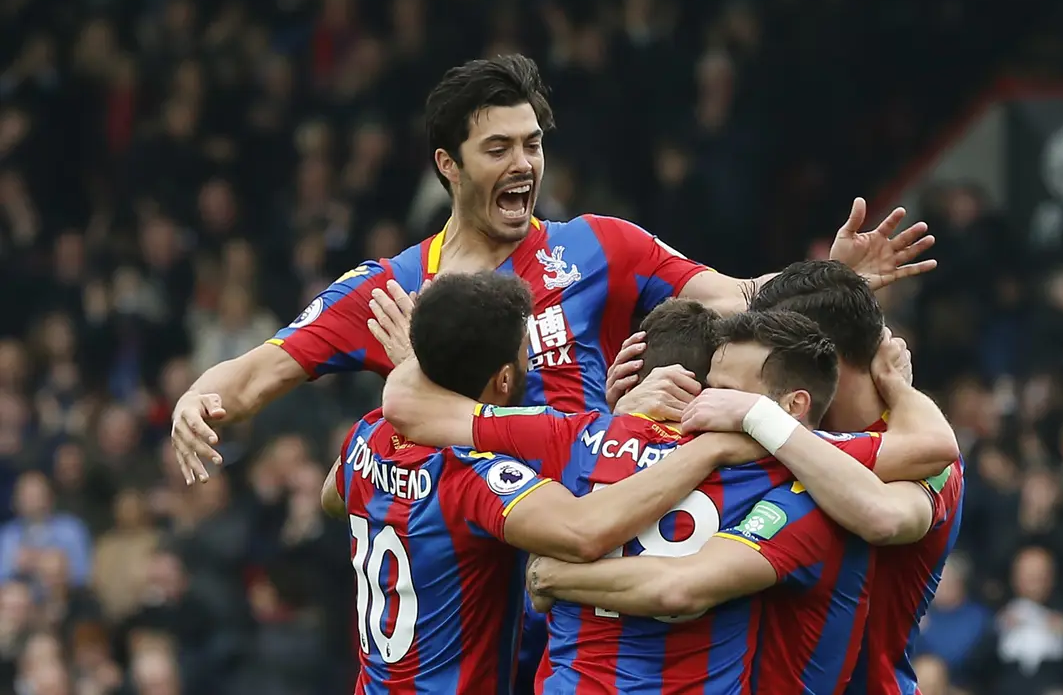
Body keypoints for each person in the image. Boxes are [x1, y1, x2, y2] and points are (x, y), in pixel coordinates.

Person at [171, 54, 936, 488]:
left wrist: (827, 279)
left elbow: (735, 296)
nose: (523, 164)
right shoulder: (391, 289)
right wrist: (195, 402)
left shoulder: (599, 246)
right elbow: (249, 377)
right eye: (498, 148)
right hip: (466, 557)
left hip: (588, 530)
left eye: (531, 144)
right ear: (448, 165)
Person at [320, 272, 764, 693]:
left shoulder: (370, 433)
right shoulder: (476, 474)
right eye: (524, 357)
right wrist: (689, 445)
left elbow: (333, 498)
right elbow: (581, 531)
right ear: (506, 379)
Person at [527, 313, 956, 694]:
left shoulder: (811, 488)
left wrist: (555, 576)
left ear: (789, 406)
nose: (702, 405)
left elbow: (678, 587)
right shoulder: (762, 460)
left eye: (724, 393)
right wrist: (625, 422)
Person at [686, 260, 967, 695]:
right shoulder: (772, 432)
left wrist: (759, 416)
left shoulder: (922, 458)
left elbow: (883, 517)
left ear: (819, 359)